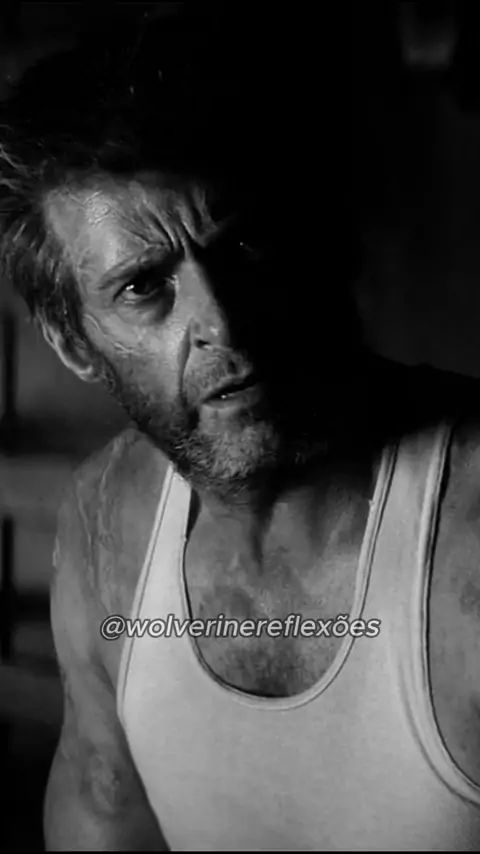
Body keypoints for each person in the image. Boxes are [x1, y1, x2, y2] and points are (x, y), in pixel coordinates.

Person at [1, 9, 480, 852]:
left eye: (246, 244)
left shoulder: (467, 526)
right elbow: (102, 811)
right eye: (145, 286)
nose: (223, 322)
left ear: (319, 241)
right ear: (74, 343)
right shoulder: (106, 519)